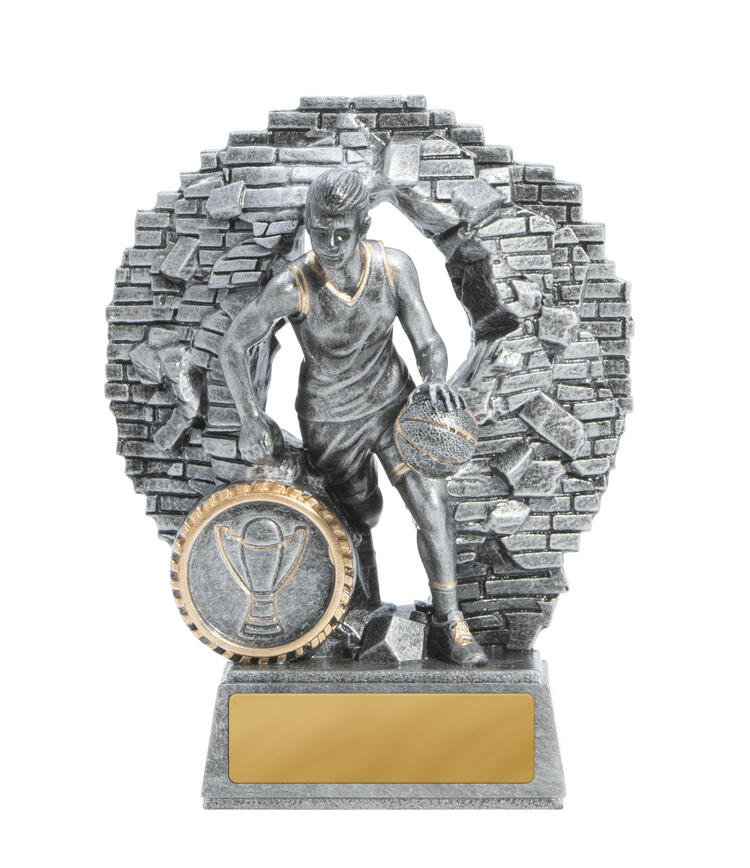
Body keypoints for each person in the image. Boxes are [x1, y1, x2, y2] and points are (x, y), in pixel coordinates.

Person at [220, 167, 487, 665]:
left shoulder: (394, 267)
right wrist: (250, 417)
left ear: (363, 226)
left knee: (432, 503)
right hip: (330, 420)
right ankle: (361, 611)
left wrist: (434, 379)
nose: (330, 244)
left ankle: (451, 620)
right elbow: (234, 345)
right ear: (308, 225)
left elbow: (429, 341)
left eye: (342, 233)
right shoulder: (292, 285)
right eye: (320, 232)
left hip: (392, 406)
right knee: (358, 517)